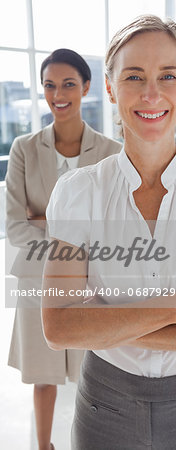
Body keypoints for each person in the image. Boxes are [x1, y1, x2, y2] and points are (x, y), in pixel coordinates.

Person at [42, 17, 176, 450]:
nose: (150, 93)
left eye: (167, 75)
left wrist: (106, 324)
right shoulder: (77, 192)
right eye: (133, 76)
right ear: (109, 88)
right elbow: (60, 327)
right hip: (105, 404)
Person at [6, 48, 122, 450]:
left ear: (86, 87)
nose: (59, 93)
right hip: (37, 281)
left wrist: (43, 221)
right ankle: (43, 446)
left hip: (92, 285)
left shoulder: (109, 152)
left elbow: (112, 230)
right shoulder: (23, 148)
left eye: (68, 84)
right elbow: (15, 226)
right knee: (44, 376)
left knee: (98, 371)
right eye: (50, 85)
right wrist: (73, 238)